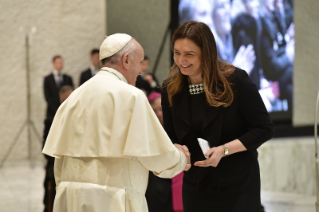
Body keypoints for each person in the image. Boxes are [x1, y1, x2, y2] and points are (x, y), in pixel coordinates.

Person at [42, 33, 191, 212]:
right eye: (140, 62)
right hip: (113, 200)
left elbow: (60, 158)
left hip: (71, 198)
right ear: (126, 60)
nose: (141, 71)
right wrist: (181, 158)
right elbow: (157, 157)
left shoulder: (73, 97)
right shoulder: (132, 96)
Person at [162, 21, 273, 211]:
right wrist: (177, 149)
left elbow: (264, 129)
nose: (181, 60)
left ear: (206, 53)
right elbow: (171, 135)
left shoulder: (235, 81)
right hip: (195, 185)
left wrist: (224, 150)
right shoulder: (170, 89)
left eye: (189, 54)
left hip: (238, 184)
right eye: (176, 52)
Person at [42, 85, 74, 212]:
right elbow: (46, 149)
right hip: (57, 161)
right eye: (65, 100)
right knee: (53, 178)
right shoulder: (51, 121)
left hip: (76, 161)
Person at [145, 92, 173, 212]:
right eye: (154, 111)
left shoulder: (176, 127)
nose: (159, 114)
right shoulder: (147, 132)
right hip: (156, 184)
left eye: (161, 109)